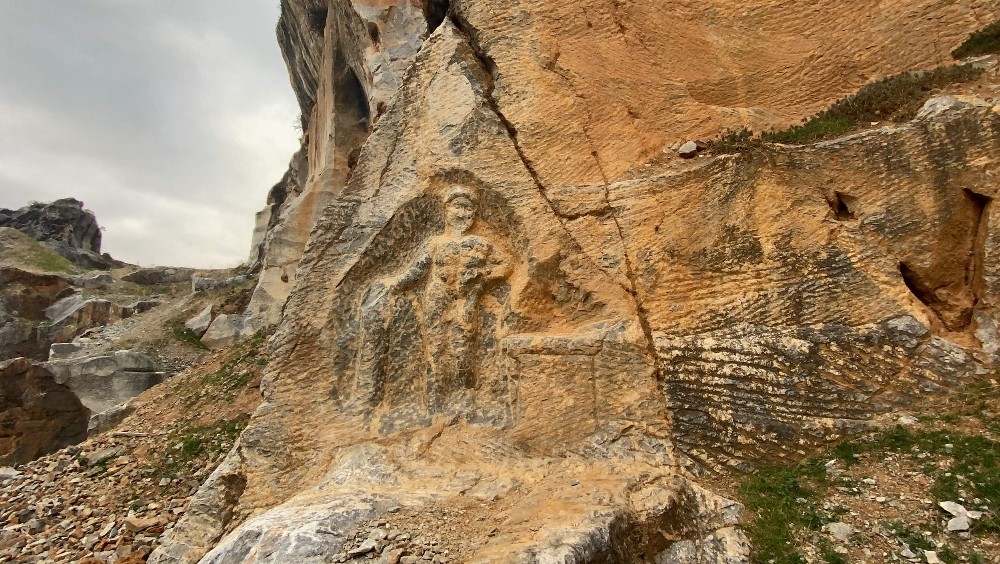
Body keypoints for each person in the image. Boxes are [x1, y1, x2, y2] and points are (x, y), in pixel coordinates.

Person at [355, 185, 512, 410]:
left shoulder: (480, 243)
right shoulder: (436, 243)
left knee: (462, 348)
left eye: (468, 208)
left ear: (474, 212)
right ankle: (437, 403)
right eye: (457, 207)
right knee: (436, 349)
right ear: (447, 210)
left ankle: (466, 400)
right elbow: (417, 271)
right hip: (437, 299)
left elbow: (506, 264)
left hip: (465, 300)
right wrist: (394, 283)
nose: (462, 213)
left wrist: (483, 279)